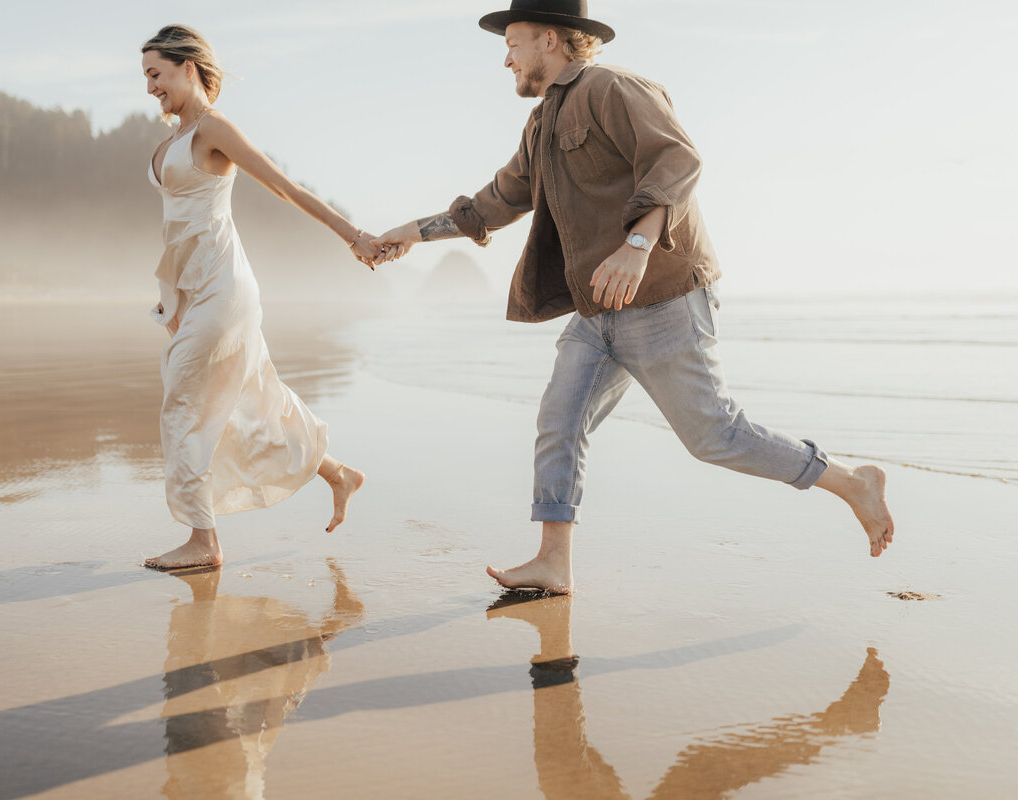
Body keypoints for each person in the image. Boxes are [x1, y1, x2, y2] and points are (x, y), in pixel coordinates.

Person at [375, 1, 894, 594]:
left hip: (663, 296)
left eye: (513, 42)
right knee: (560, 420)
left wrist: (639, 243)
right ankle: (552, 561)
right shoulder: (543, 121)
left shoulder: (612, 87)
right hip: (599, 310)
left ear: (550, 39)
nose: (505, 58)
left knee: (715, 437)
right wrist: (409, 233)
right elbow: (496, 200)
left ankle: (851, 480)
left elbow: (678, 159)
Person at [141, 25, 377, 569]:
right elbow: (177, 227)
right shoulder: (170, 139)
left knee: (183, 402)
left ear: (188, 67)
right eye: (146, 77)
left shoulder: (214, 129)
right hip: (191, 287)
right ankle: (339, 473)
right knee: (253, 395)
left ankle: (204, 542)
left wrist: (354, 236)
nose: (150, 86)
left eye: (156, 74)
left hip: (224, 286)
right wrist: (170, 296)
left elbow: (285, 187)